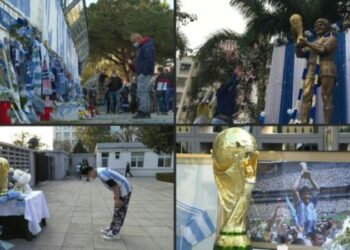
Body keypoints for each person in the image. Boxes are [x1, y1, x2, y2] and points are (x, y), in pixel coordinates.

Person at [295, 18, 337, 124]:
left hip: (327, 68)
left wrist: (306, 43)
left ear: (327, 27)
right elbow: (300, 54)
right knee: (306, 95)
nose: (318, 27)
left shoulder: (331, 39)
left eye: (321, 25)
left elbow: (322, 50)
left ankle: (327, 126)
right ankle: (303, 124)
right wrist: (298, 46)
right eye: (316, 25)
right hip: (311, 69)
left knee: (326, 96)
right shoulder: (312, 42)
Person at [87, 167, 133, 240]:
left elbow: (115, 186)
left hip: (124, 190)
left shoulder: (102, 174)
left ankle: (115, 233)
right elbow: (114, 183)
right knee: (117, 210)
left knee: (120, 211)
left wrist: (117, 199)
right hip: (121, 189)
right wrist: (116, 196)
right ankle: (112, 228)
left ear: (92, 170)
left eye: (89, 174)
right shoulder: (100, 171)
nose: (90, 177)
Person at [129, 33, 155, 119]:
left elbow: (149, 60)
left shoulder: (146, 46)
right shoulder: (143, 46)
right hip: (142, 72)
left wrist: (144, 72)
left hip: (144, 73)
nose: (133, 44)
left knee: (142, 92)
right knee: (144, 92)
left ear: (138, 39)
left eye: (133, 42)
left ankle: (143, 111)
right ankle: (146, 112)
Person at [292, 162, 320, 236]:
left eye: (308, 194)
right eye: (304, 194)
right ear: (300, 196)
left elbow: (317, 190)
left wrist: (310, 178)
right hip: (302, 234)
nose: (307, 196)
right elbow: (294, 189)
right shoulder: (299, 204)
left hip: (312, 234)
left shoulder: (312, 203)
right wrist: (300, 175)